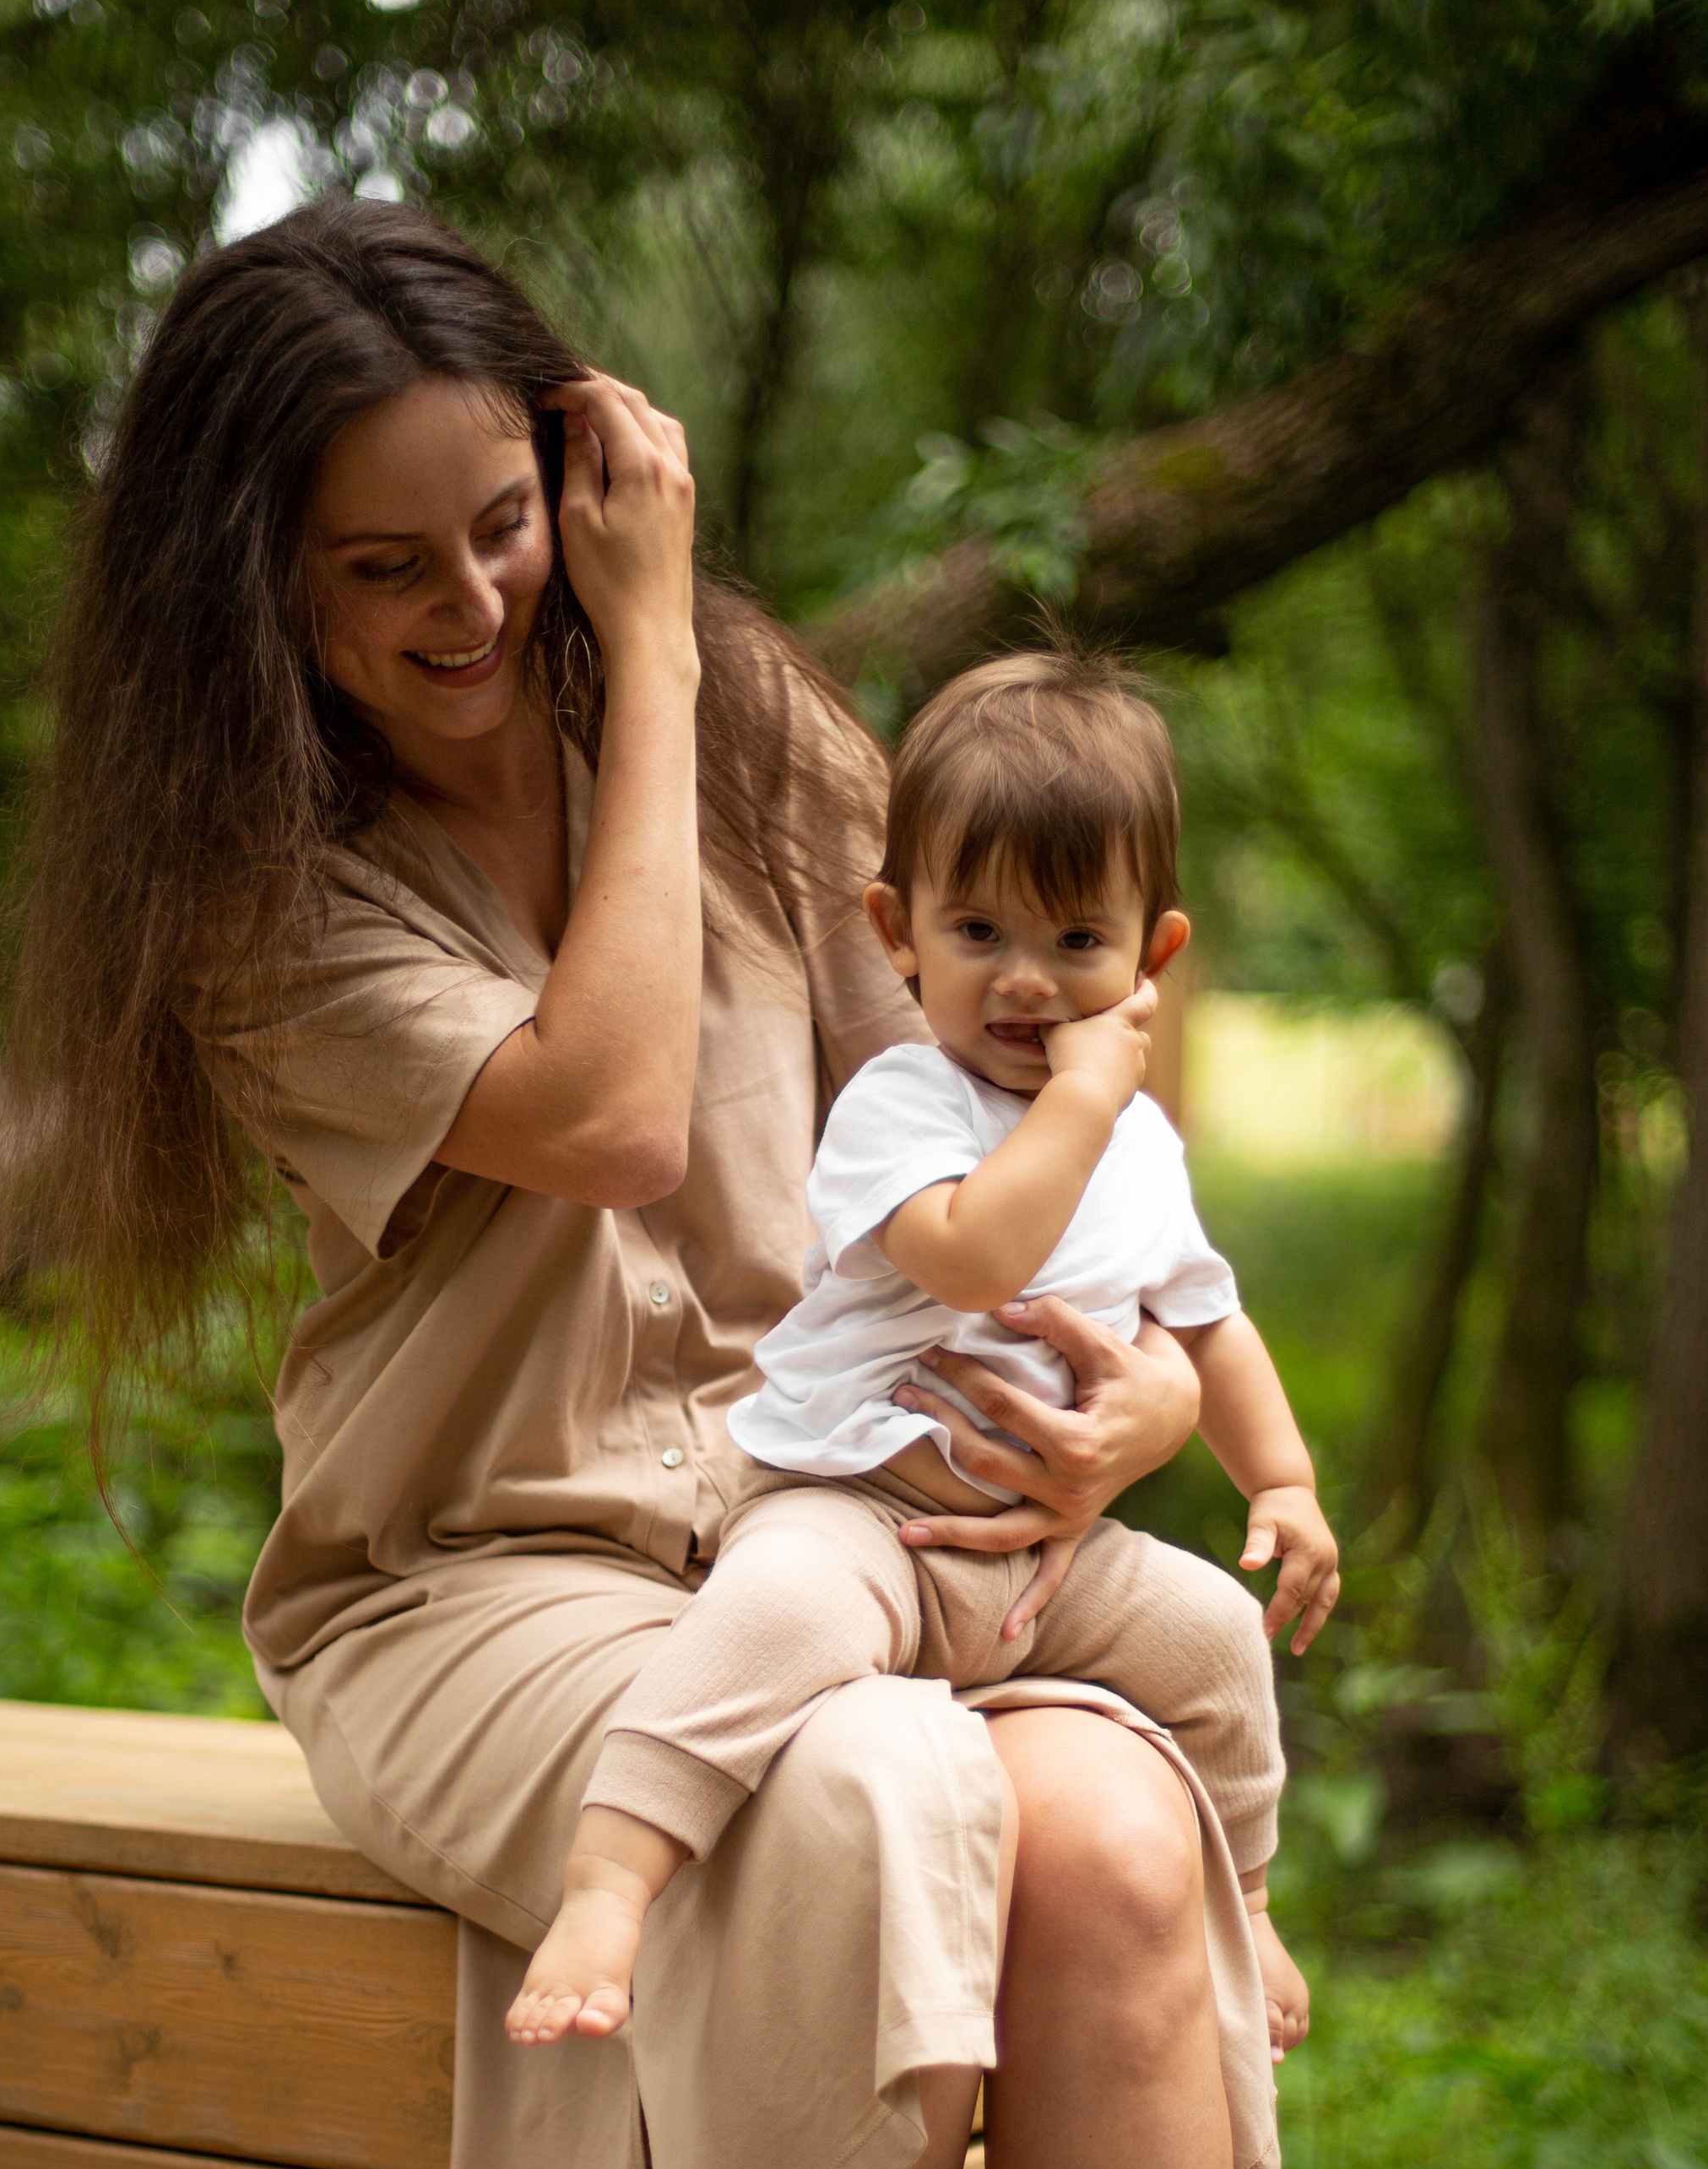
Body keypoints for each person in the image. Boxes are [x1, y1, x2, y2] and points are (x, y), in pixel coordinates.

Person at [0, 195, 1285, 2169]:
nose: (478, 599)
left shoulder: (741, 720)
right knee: (882, 1785)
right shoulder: (260, 887)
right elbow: (593, 1113)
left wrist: (1157, 1415)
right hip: (491, 1578)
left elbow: (1036, 1111)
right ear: (263, 596)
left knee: (1095, 1824)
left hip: (841, 1514)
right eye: (386, 564)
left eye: (507, 523)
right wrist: (665, 622)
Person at [507, 648, 1337, 2063]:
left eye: (1077, 943)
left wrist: (1285, 1484)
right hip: (864, 1518)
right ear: (897, 931)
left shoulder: (1137, 1144)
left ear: (1156, 956)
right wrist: (1086, 1095)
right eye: (978, 933)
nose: (1024, 983)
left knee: (1212, 1639)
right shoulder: (906, 1100)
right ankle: (608, 1887)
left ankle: (1246, 1898)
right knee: (763, 1626)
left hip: (1043, 1560)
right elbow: (970, 1256)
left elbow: (1208, 1315)